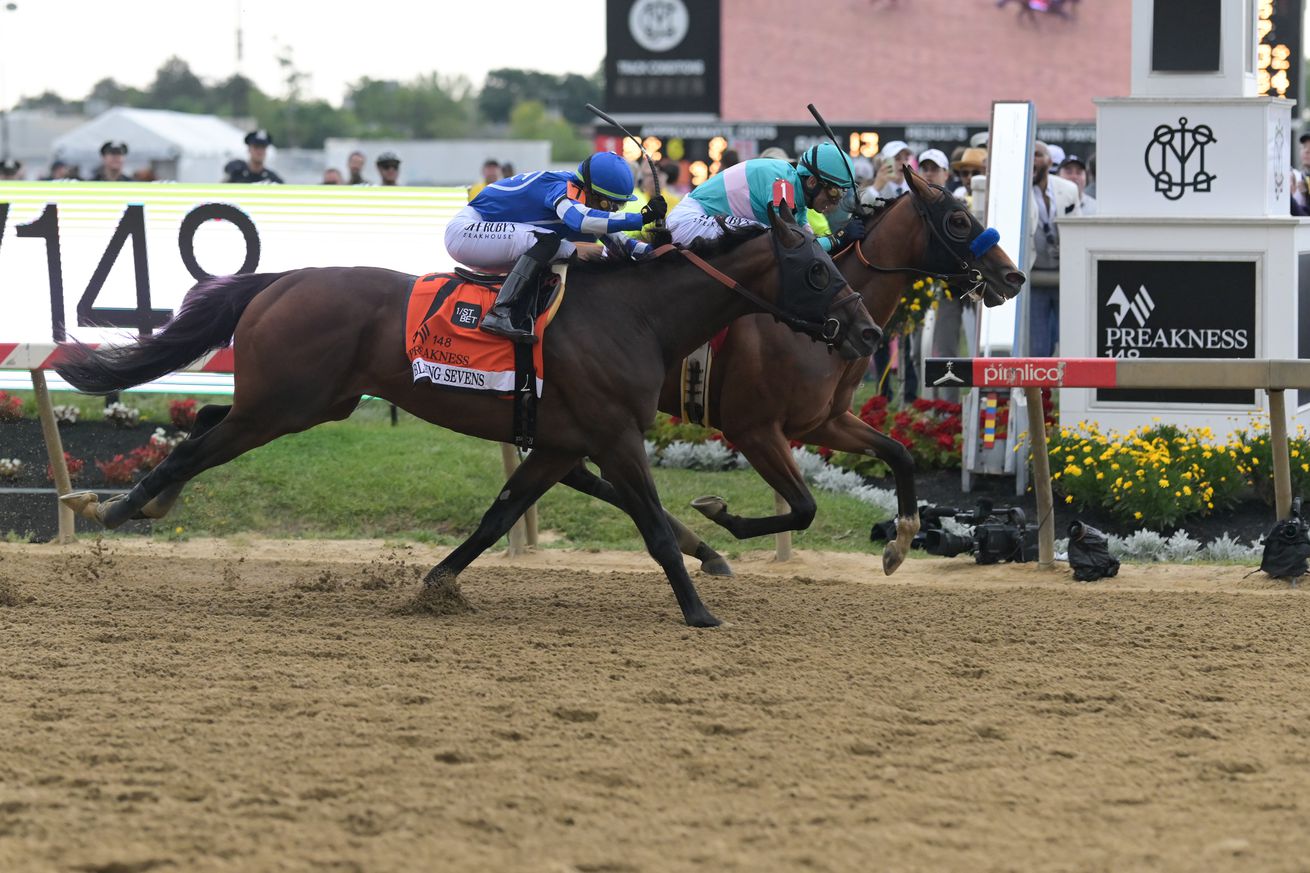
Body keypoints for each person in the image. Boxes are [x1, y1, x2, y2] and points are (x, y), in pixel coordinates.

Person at [444, 151, 666, 343]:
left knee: (568, 250)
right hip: (467, 231)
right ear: (594, 193)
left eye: (620, 205)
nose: (614, 211)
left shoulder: (581, 192)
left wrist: (658, 253)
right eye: (611, 204)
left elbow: (619, 242)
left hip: (488, 233)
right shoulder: (561, 189)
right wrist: (640, 218)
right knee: (550, 242)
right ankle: (501, 312)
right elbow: (580, 220)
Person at [665, 142, 864, 253]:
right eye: (835, 192)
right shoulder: (783, 184)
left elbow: (809, 243)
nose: (835, 201)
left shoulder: (797, 197)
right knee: (764, 240)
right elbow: (792, 245)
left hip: (702, 220)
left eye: (842, 194)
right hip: (688, 221)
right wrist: (839, 238)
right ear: (812, 182)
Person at [1027, 140, 1081, 357]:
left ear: (1049, 161)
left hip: (1065, 276)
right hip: (1034, 274)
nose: (1032, 160)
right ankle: (1039, 390)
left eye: (1037, 155)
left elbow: (1078, 230)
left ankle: (1070, 390)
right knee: (1038, 347)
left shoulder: (1067, 190)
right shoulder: (1019, 192)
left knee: (1070, 340)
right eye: (1029, 155)